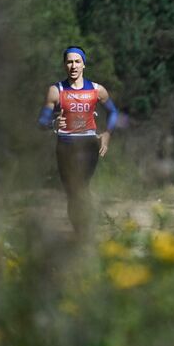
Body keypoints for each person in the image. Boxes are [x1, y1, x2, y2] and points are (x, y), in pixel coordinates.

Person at [38, 46, 119, 236]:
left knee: (80, 186)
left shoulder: (97, 90)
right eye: (69, 62)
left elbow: (114, 111)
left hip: (88, 144)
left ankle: (85, 232)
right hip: (65, 145)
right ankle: (80, 232)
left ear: (84, 64)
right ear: (65, 65)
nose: (73, 66)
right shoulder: (56, 91)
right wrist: (53, 122)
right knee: (71, 191)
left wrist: (107, 134)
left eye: (77, 61)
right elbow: (41, 122)